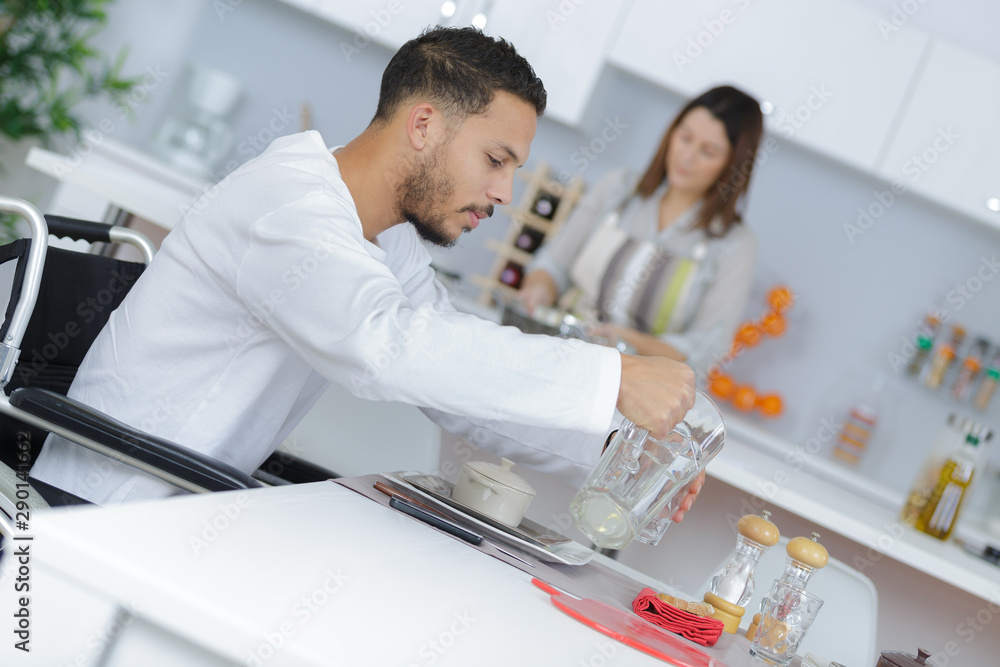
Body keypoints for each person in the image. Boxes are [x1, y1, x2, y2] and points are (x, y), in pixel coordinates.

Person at [31, 27, 702, 514]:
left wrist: (618, 442)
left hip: (188, 505)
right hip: (104, 508)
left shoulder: (381, 234)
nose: (505, 193)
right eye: (497, 159)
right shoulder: (290, 207)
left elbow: (446, 374)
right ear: (423, 126)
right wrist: (614, 376)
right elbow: (387, 351)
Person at [518, 86, 764, 376]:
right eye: (684, 138)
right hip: (556, 356)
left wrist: (623, 339)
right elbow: (553, 264)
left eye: (708, 152)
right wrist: (537, 291)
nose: (687, 157)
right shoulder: (618, 188)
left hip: (636, 386)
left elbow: (704, 349)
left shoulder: (735, 245)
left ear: (733, 166)